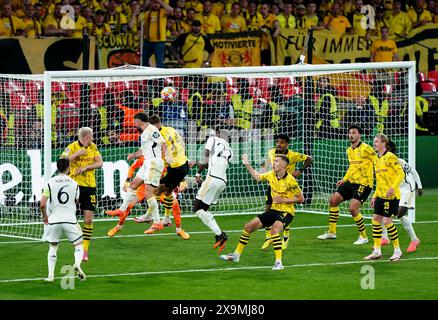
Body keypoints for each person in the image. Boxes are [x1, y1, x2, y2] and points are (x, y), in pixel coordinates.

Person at [220, 154, 304, 270]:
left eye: (276, 161)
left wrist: (283, 200)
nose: (273, 163)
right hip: (274, 210)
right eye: (273, 161)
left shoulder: (291, 181)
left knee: (274, 231)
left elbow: (301, 199)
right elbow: (257, 177)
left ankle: (279, 263)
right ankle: (236, 255)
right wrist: (246, 164)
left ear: (284, 164)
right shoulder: (271, 175)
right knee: (248, 227)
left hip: (286, 212)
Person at [317, 124, 375, 244]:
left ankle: (363, 237)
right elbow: (351, 166)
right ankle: (332, 232)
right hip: (351, 182)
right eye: (350, 133)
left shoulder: (366, 148)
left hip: (363, 184)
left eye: (354, 132)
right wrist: (345, 179)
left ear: (359, 135)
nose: (351, 135)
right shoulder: (349, 150)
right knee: (333, 200)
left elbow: (377, 161)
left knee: (353, 208)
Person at [134, 115, 190, 239]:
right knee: (166, 193)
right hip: (180, 164)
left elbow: (160, 151)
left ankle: (151, 216)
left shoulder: (157, 135)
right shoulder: (171, 129)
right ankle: (167, 219)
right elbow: (181, 142)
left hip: (175, 167)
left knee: (157, 192)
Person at [260, 133, 313, 250]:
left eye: (282, 142)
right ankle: (268, 237)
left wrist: (299, 170)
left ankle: (286, 235)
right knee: (268, 208)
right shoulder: (272, 152)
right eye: (277, 142)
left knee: (284, 211)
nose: (279, 144)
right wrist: (263, 169)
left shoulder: (293, 155)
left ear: (287, 144)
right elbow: (268, 162)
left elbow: (309, 159)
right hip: (274, 184)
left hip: (287, 187)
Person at [61, 127, 103, 262]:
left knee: (88, 219)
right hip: (74, 185)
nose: (93, 138)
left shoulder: (93, 147)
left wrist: (86, 167)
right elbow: (62, 162)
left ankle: (85, 248)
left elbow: (100, 163)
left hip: (90, 186)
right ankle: (77, 242)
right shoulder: (72, 147)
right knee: (70, 216)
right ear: (86, 136)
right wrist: (76, 154)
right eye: (91, 136)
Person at [40, 158, 86, 282]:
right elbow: (76, 201)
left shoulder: (50, 182)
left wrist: (45, 217)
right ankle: (77, 263)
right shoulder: (74, 183)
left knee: (53, 246)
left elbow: (42, 204)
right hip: (70, 220)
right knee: (78, 245)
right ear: (68, 168)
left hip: (54, 220)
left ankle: (50, 276)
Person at [364, 133, 404, 261]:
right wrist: (375, 196)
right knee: (375, 220)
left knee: (387, 222)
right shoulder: (377, 159)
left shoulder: (390, 157)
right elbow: (380, 181)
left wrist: (393, 187)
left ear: (383, 143)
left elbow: (400, 173)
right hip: (381, 195)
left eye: (376, 141)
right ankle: (377, 251)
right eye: (374, 141)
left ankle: (397, 250)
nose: (374, 143)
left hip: (391, 196)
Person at [124, 113, 166, 234]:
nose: (133, 124)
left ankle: (158, 222)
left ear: (138, 121)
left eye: (134, 121)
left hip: (154, 163)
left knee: (153, 194)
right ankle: (123, 210)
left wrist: (164, 158)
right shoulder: (144, 133)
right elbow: (144, 150)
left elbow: (162, 142)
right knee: (135, 185)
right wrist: (133, 155)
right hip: (149, 164)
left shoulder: (151, 129)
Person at [194, 127, 232, 252]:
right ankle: (219, 235)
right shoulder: (230, 150)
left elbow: (206, 156)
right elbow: (216, 161)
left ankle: (220, 233)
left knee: (197, 209)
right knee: (203, 209)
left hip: (212, 178)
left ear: (218, 134)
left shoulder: (213, 139)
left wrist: (198, 173)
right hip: (222, 181)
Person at [381, 140, 423, 253]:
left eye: (387, 147)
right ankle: (384, 238)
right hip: (393, 191)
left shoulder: (399, 161)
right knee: (383, 210)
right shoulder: (382, 162)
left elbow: (413, 171)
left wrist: (419, 186)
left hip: (406, 190)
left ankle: (414, 240)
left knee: (399, 213)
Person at [142, 0, 174, 68]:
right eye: (154, 3)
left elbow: (171, 10)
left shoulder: (163, 12)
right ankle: (147, 76)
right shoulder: (147, 13)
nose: (156, 5)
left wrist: (160, 1)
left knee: (159, 63)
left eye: (158, 3)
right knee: (143, 61)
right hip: (148, 41)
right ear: (151, 4)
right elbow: (145, 26)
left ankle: (160, 78)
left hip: (159, 42)